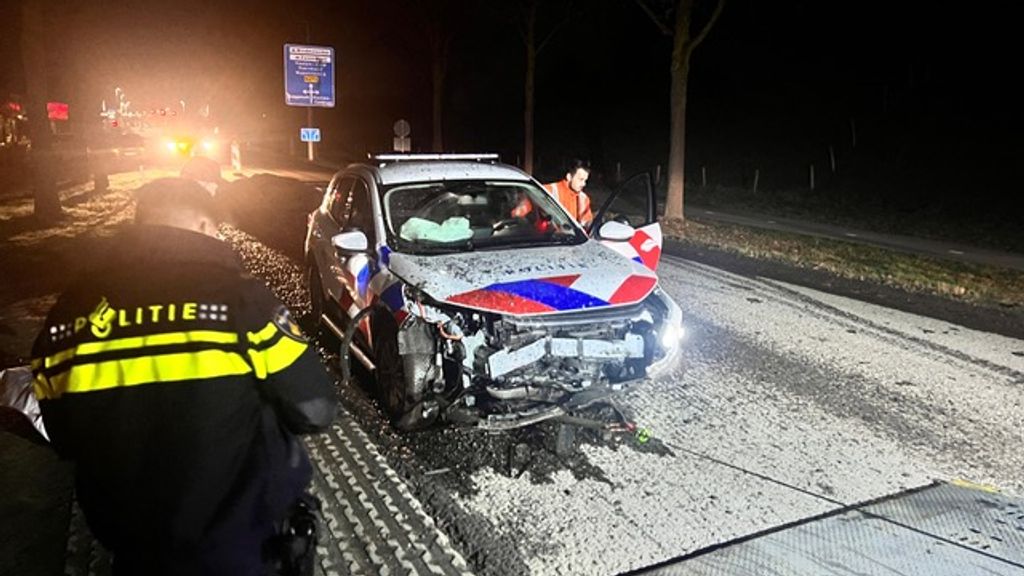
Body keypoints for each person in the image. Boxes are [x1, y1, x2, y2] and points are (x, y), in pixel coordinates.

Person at [30, 177, 336, 575]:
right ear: (206, 226)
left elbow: (63, 435)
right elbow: (317, 409)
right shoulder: (244, 305)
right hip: (245, 550)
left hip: (135, 554)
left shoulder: (67, 319)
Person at [513, 158, 594, 228]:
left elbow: (587, 223)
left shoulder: (583, 199)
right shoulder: (548, 190)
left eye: (585, 180)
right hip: (547, 241)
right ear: (569, 177)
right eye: (580, 179)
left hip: (572, 242)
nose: (584, 184)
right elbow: (518, 214)